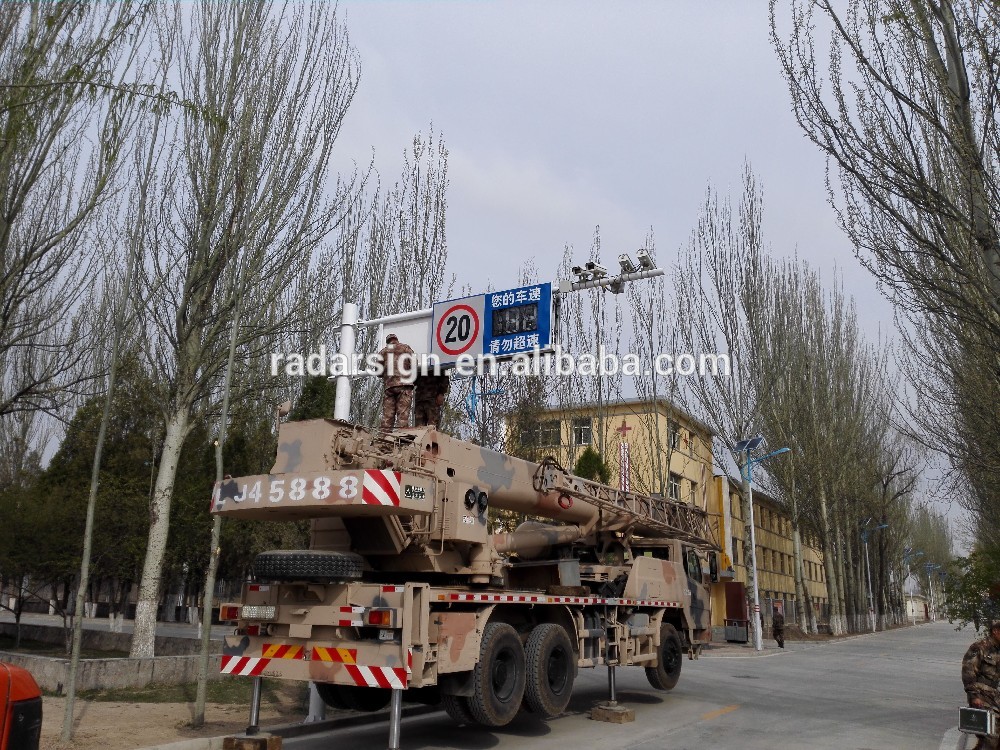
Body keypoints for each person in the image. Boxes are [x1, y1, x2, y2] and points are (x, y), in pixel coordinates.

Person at [962, 621, 1000, 750]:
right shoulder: (979, 647)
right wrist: (974, 696)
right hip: (981, 695)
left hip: (995, 695)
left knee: (993, 739)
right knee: (991, 736)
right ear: (995, 631)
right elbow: (968, 671)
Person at [376, 333, 415, 430]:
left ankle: (383, 442)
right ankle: (401, 441)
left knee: (387, 419)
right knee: (402, 418)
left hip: (389, 388)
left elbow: (378, 373)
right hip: (404, 386)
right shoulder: (405, 348)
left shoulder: (382, 352)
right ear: (396, 340)